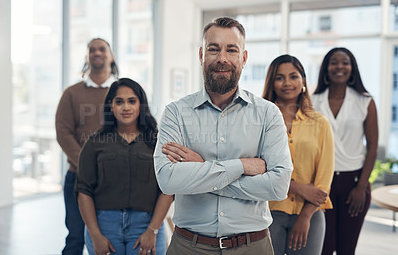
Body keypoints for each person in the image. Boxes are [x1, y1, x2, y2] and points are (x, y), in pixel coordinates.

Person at [154, 17, 293, 255]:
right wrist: (241, 166)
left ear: (244, 57)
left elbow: (278, 186)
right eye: (213, 49)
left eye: (231, 50)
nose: (222, 58)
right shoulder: (176, 113)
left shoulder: (268, 113)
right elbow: (168, 179)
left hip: (253, 246)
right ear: (201, 55)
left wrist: (202, 170)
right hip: (188, 246)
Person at [75, 78, 173, 255]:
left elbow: (167, 189)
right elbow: (83, 191)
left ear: (140, 105)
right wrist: (95, 235)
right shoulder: (95, 143)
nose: (125, 107)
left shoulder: (158, 142)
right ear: (111, 106)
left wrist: (152, 230)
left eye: (132, 101)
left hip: (146, 225)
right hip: (104, 225)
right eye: (119, 101)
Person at [262, 55, 334, 255]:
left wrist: (305, 217)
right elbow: (256, 169)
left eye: (293, 76)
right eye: (279, 77)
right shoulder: (260, 122)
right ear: (271, 83)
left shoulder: (320, 123)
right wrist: (297, 187)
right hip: (268, 212)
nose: (287, 83)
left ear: (303, 80)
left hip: (309, 214)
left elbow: (324, 179)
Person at [311, 47, 378, 255]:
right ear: (326, 68)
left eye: (345, 62)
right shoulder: (313, 101)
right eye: (334, 62)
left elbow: (373, 146)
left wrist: (361, 187)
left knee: (346, 249)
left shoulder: (365, 101)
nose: (339, 66)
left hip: (354, 183)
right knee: (324, 246)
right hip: (323, 182)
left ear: (352, 68)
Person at [56, 38, 119, 254]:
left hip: (113, 179)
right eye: (92, 50)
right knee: (75, 237)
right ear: (87, 57)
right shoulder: (71, 93)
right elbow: (63, 133)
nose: (96, 53)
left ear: (111, 56)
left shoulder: (123, 94)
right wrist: (87, 165)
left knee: (110, 239)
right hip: (78, 178)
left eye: (102, 49)